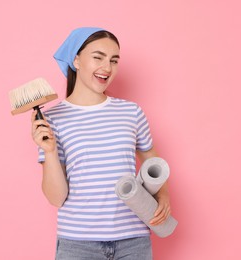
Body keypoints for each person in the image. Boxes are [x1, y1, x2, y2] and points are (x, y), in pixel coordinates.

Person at [31, 27, 171, 260]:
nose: (107, 68)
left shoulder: (130, 112)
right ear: (76, 59)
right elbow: (56, 198)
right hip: (78, 244)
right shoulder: (52, 120)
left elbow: (153, 163)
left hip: (133, 241)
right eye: (98, 57)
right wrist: (50, 151)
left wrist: (164, 195)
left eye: (114, 60)